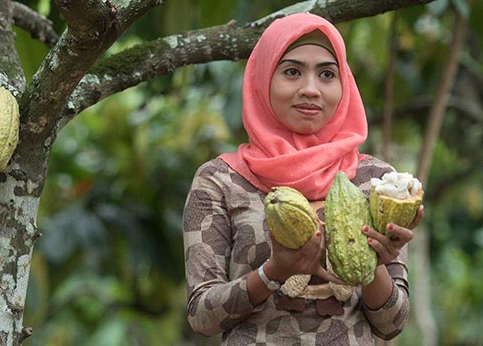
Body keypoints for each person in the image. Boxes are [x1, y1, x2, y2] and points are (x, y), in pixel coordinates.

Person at [182, 12, 425, 345]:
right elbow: (201, 316)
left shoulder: (378, 182)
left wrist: (372, 266)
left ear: (345, 84)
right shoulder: (220, 180)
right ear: (262, 79)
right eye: (292, 72)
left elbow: (392, 323)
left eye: (327, 74)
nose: (311, 90)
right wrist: (272, 273)